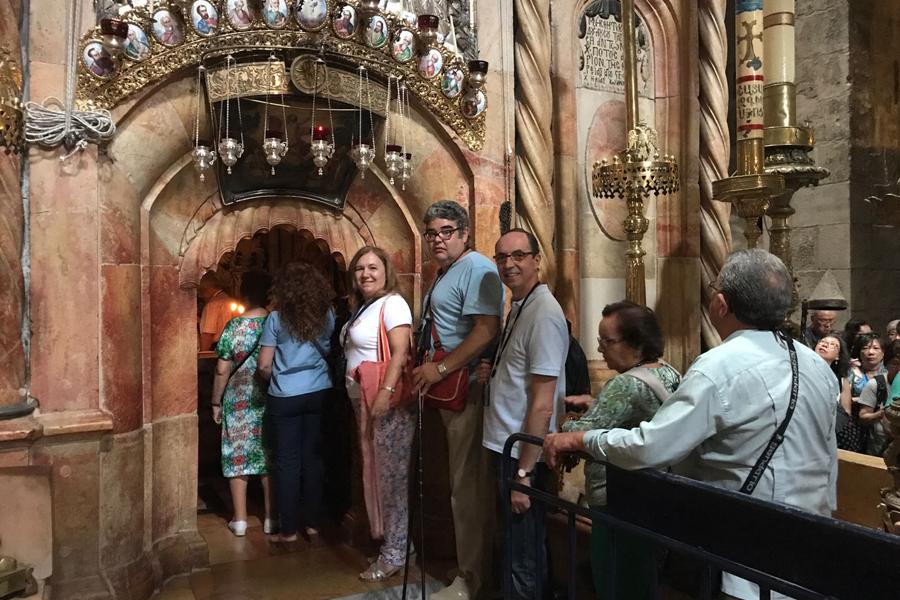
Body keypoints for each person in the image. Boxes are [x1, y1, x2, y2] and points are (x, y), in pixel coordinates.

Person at [544, 249, 838, 600]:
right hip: (810, 550)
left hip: (744, 558)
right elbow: (827, 455)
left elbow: (650, 447)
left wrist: (581, 439)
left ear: (721, 305)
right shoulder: (815, 365)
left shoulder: (719, 367)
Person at [556, 301, 681, 599]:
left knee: (615, 579)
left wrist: (567, 421)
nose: (600, 349)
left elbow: (579, 433)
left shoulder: (624, 386)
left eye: (607, 341)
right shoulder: (668, 371)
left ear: (636, 343)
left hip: (617, 499)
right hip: (652, 495)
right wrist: (595, 403)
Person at [411, 200, 503, 600]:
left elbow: (486, 329)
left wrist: (442, 368)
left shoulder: (478, 268)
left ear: (464, 234)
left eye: (446, 231)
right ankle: (469, 566)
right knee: (456, 484)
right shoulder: (446, 271)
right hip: (446, 386)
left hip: (464, 388)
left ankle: (472, 579)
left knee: (468, 488)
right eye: (431, 233)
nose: (437, 239)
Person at [476, 229, 567, 600]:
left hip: (522, 454)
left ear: (536, 259)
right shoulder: (521, 306)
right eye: (501, 257)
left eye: (518, 255)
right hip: (508, 446)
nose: (508, 264)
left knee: (523, 553)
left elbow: (543, 402)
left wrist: (524, 474)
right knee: (518, 544)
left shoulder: (544, 314)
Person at [341, 246, 415, 581]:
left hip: (386, 405)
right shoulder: (364, 307)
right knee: (378, 475)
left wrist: (385, 392)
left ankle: (394, 554)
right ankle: (399, 545)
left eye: (373, 267)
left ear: (386, 271)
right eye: (360, 268)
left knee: (390, 479)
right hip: (365, 403)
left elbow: (400, 352)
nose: (366, 274)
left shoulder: (393, 303)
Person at [257, 262, 335, 545]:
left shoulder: (276, 319)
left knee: (287, 462)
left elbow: (264, 365)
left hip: (285, 395)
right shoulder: (327, 314)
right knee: (313, 459)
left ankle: (289, 530)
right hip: (319, 390)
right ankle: (313, 525)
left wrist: (276, 379)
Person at [211, 271, 274, 537]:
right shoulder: (274, 323)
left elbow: (222, 369)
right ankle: (271, 517)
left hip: (237, 399)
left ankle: (239, 520)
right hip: (268, 395)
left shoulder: (234, 327)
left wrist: (215, 402)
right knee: (267, 455)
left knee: (238, 455)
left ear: (244, 293)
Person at [856, 336, 894, 456]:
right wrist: (880, 413)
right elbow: (863, 416)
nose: (871, 352)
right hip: (877, 445)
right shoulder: (875, 383)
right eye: (895, 364)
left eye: (876, 348)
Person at [199, 272, 236, 351]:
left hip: (215, 349)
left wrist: (202, 354)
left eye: (201, 291)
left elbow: (208, 334)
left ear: (208, 289)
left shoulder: (212, 305)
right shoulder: (232, 301)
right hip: (233, 346)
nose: (201, 296)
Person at [848, 333, 886, 399]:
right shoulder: (851, 373)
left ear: (883, 352)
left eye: (876, 348)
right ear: (859, 352)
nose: (871, 352)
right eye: (865, 348)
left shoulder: (889, 372)